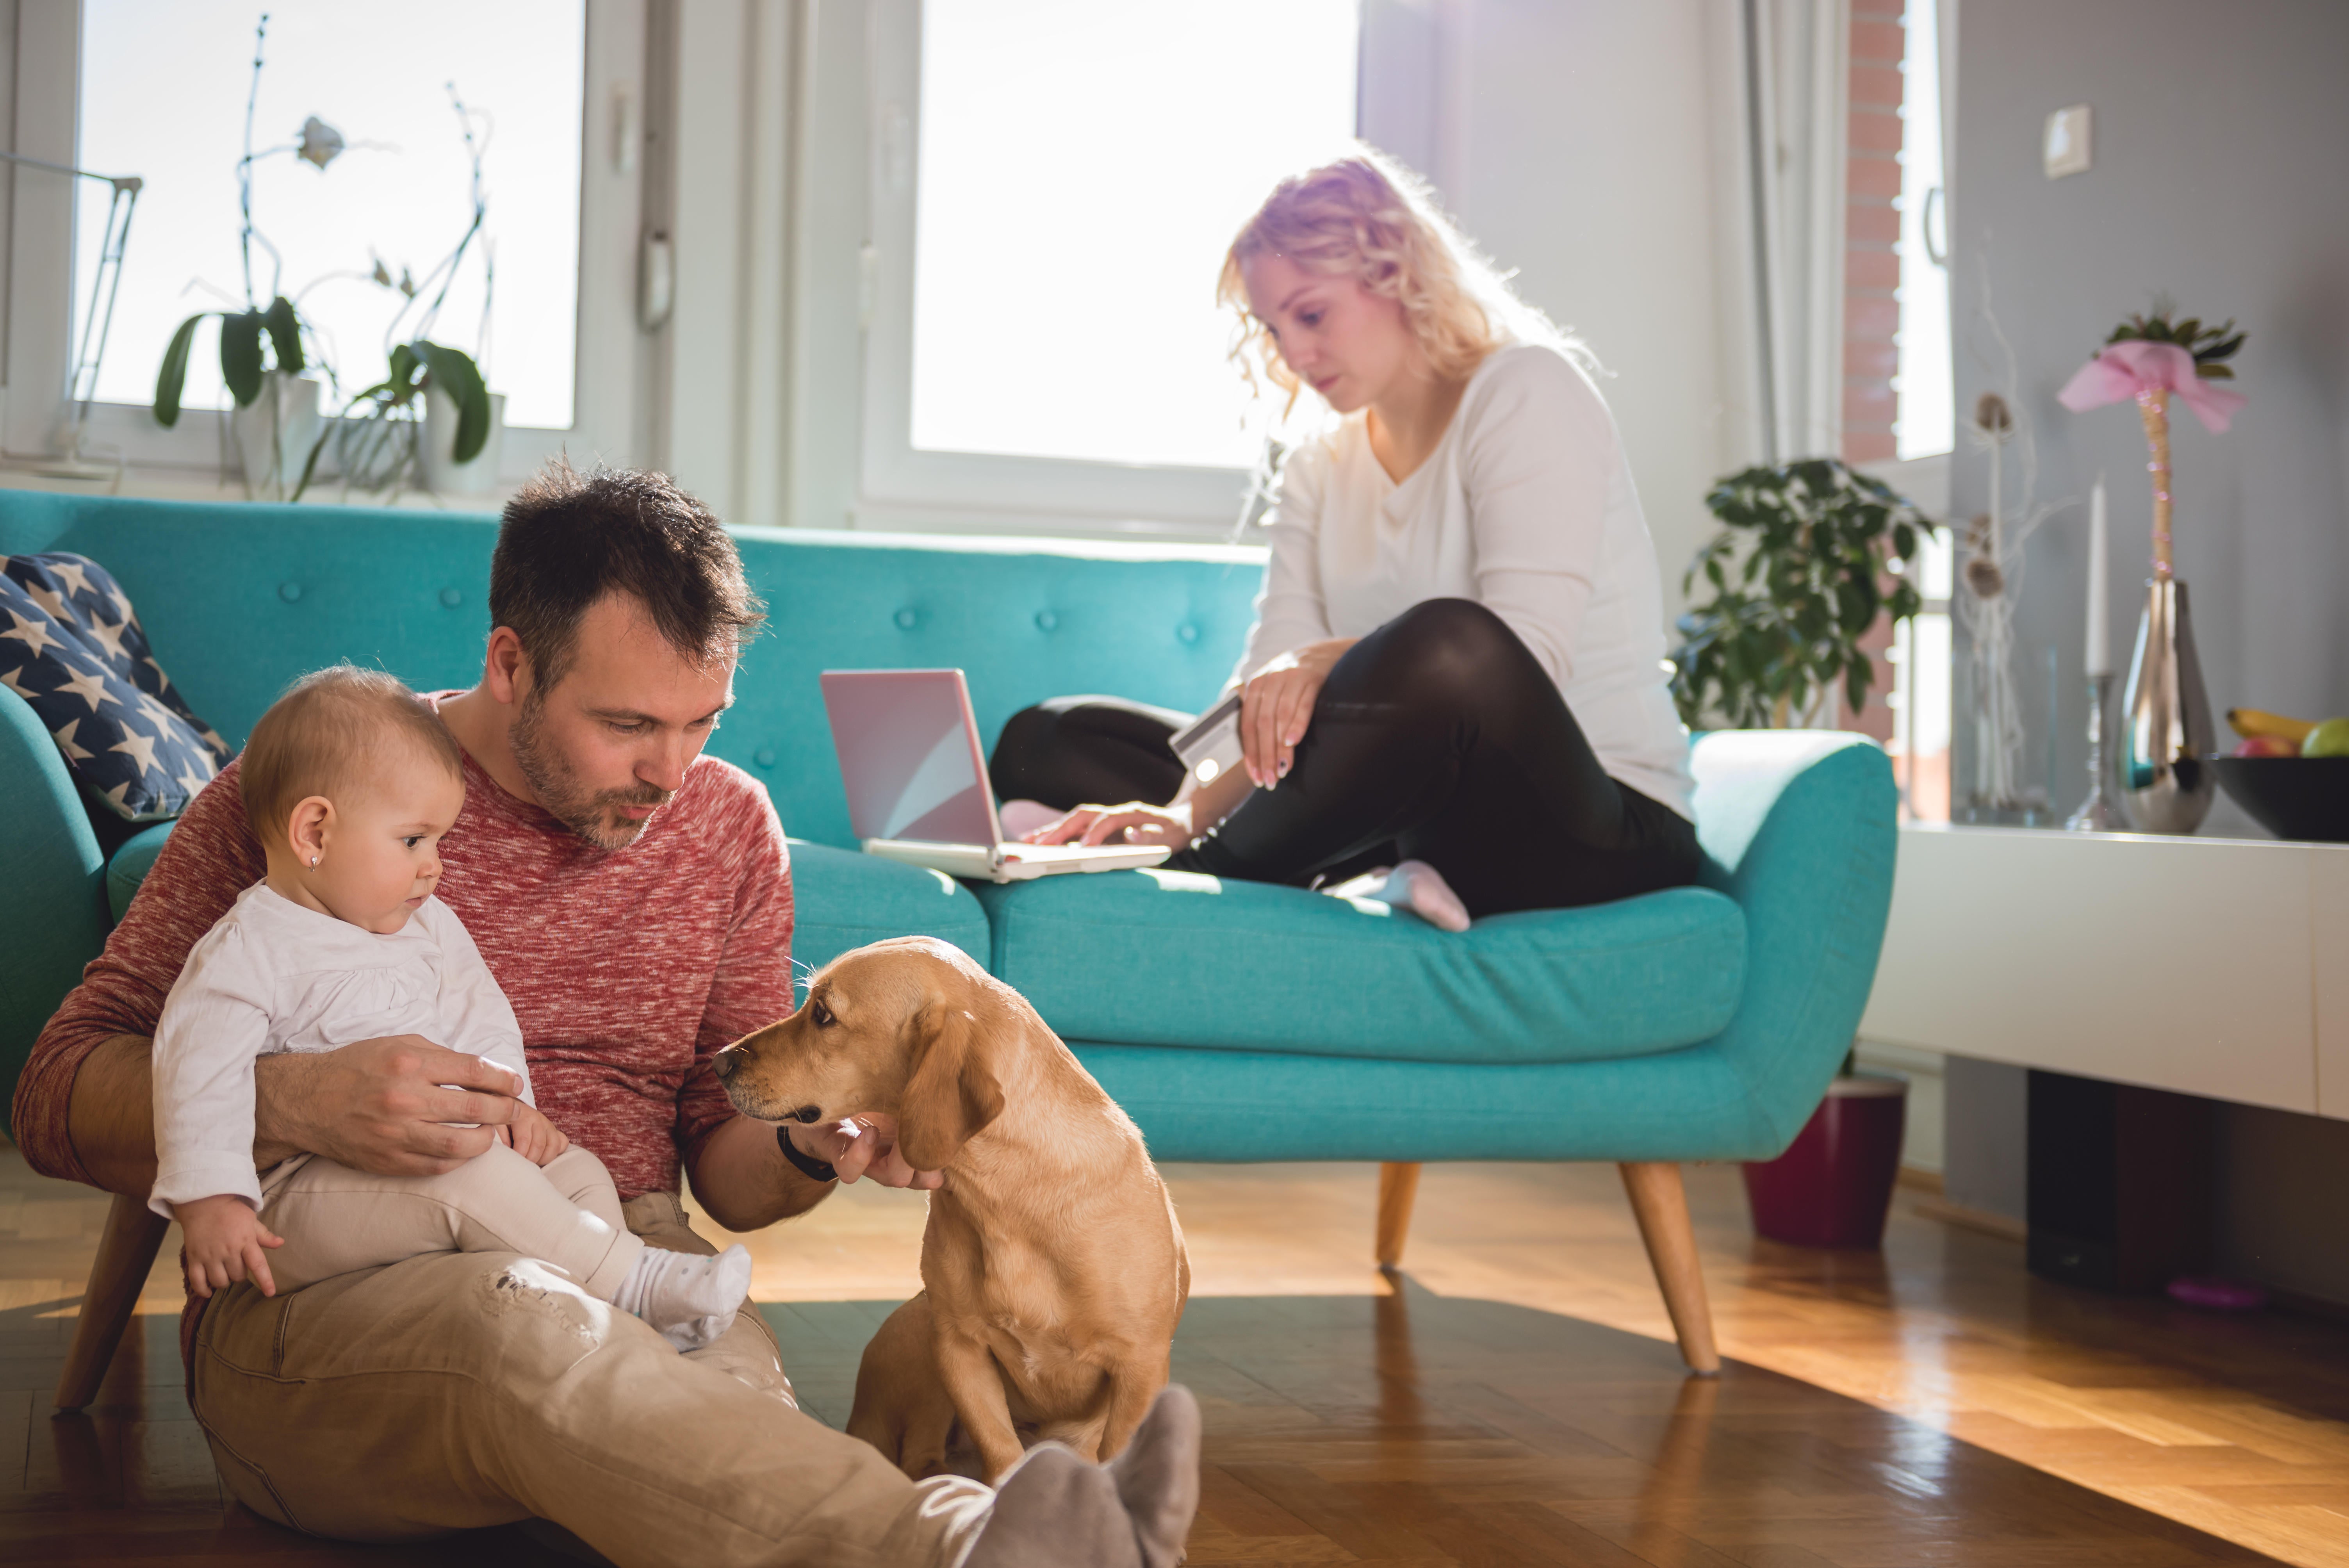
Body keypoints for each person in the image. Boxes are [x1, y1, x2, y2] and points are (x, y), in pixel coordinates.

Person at [12, 460, 1198, 1568]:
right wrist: (295, 1101)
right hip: (337, 1288)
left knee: (727, 1436)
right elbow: (52, 1093)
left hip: (629, 1251)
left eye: (704, 723)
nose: (672, 773)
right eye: (630, 726)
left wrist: (807, 1145)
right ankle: (974, 1546)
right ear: (513, 665)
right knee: (525, 1329)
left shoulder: (729, 827)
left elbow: (726, 1175)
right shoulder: (325, 794)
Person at [996, 151, 1700, 927]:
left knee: (1450, 647)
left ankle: (1205, 874)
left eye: (1310, 314)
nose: (1294, 357)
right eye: (1273, 329)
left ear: (1394, 271)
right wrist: (1181, 809)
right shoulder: (1318, 460)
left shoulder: (1524, 391)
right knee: (1049, 739)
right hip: (1409, 819)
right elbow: (1268, 683)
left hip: (1593, 828)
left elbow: (1523, 660)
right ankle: (1306, 863)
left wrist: (1327, 661)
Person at [154, 665, 753, 1351]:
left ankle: (622, 1322)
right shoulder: (247, 950)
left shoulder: (427, 924)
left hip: (432, 1169)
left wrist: (514, 1107)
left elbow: (481, 1023)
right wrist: (213, 1204)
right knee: (470, 1178)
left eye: (441, 839)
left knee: (580, 1172)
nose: (436, 865)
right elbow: (193, 1078)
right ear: (315, 833)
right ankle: (636, 1284)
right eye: (414, 840)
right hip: (293, 1204)